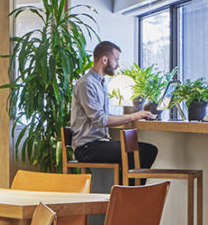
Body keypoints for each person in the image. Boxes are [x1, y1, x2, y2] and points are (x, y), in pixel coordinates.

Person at [68, 41, 158, 171]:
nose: (118, 65)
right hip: (87, 148)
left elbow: (104, 117)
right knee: (142, 153)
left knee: (149, 150)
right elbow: (101, 120)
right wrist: (134, 116)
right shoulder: (86, 84)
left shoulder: (101, 83)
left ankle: (126, 190)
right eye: (116, 60)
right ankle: (127, 190)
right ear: (104, 60)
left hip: (101, 143)